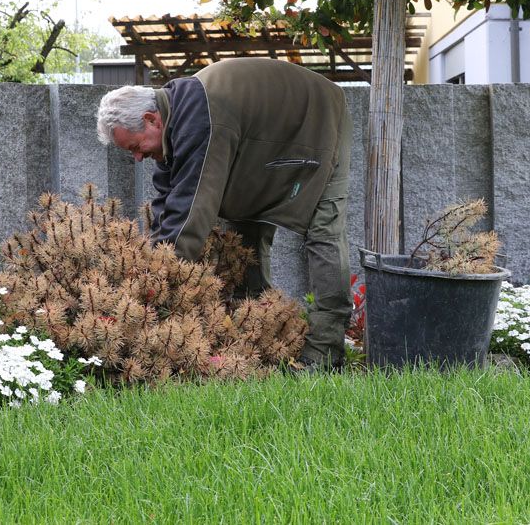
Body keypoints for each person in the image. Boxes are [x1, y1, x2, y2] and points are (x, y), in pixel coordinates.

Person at [96, 57, 353, 370]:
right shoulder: (175, 119)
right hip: (264, 139)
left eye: (135, 147)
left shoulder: (199, 118)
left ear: (151, 119)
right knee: (243, 226)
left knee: (324, 229)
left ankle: (324, 353)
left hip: (320, 116)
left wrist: (157, 288)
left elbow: (192, 212)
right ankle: (260, 334)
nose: (138, 158)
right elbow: (168, 204)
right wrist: (149, 266)